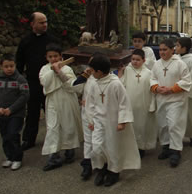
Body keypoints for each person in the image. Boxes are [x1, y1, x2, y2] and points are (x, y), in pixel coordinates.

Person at [86, 54, 141, 186]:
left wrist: (122, 121)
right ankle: (102, 168)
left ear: (99, 72)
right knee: (97, 147)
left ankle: (114, 172)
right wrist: (91, 120)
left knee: (113, 148)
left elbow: (124, 103)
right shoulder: (94, 84)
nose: (91, 73)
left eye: (92, 71)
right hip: (99, 121)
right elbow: (90, 103)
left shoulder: (115, 84)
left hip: (113, 122)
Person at [16, 12, 59, 151]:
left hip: (50, 81)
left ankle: (57, 138)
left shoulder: (52, 40)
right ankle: (29, 139)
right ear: (32, 24)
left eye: (46, 21)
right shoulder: (25, 41)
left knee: (52, 111)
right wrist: (19, 80)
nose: (45, 24)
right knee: (32, 111)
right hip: (33, 81)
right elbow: (19, 62)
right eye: (41, 22)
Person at [39, 44, 83, 171]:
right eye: (50, 57)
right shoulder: (44, 69)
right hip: (53, 100)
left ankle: (70, 151)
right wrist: (53, 71)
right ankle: (54, 157)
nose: (53, 59)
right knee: (53, 128)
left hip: (67, 100)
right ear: (46, 58)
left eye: (56, 56)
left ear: (61, 56)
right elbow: (44, 82)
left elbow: (72, 85)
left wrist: (59, 71)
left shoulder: (67, 69)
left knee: (68, 126)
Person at [150, 39, 192, 167]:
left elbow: (186, 81)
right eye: (160, 50)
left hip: (176, 99)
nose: (162, 52)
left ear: (172, 50)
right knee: (163, 125)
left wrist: (172, 89)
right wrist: (156, 87)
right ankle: (166, 147)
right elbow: (152, 79)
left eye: (165, 49)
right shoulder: (156, 64)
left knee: (174, 124)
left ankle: (175, 151)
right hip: (161, 99)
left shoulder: (180, 64)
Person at [0, 54, 29, 171]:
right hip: (2, 114)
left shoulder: (20, 79)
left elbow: (25, 96)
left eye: (11, 66)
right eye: (6, 66)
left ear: (15, 65)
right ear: (1, 66)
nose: (9, 69)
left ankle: (17, 158)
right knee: (5, 136)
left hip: (16, 114)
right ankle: (9, 157)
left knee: (13, 134)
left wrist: (11, 109)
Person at [118, 49, 158, 158]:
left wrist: (152, 104)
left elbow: (152, 91)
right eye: (133, 59)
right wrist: (120, 73)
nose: (135, 62)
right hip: (130, 105)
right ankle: (130, 148)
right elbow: (121, 85)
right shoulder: (127, 70)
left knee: (142, 127)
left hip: (143, 105)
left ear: (144, 60)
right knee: (130, 127)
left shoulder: (149, 73)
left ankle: (141, 148)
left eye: (138, 60)